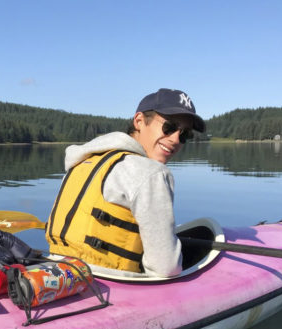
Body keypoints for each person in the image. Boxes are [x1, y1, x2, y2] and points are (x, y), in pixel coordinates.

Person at [45, 88, 205, 277]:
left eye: (185, 134)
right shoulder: (151, 173)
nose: (176, 139)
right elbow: (166, 268)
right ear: (139, 121)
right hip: (107, 285)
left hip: (57, 274)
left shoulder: (83, 162)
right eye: (169, 127)